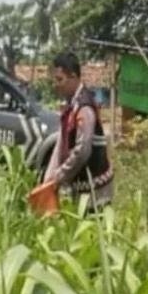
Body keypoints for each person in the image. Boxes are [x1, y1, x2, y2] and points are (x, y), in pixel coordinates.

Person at [41, 52, 114, 210]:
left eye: (60, 79)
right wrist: (49, 179)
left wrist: (59, 176)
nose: (56, 84)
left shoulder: (84, 107)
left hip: (96, 191)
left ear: (73, 77)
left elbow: (82, 151)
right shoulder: (71, 106)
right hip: (82, 191)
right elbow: (61, 142)